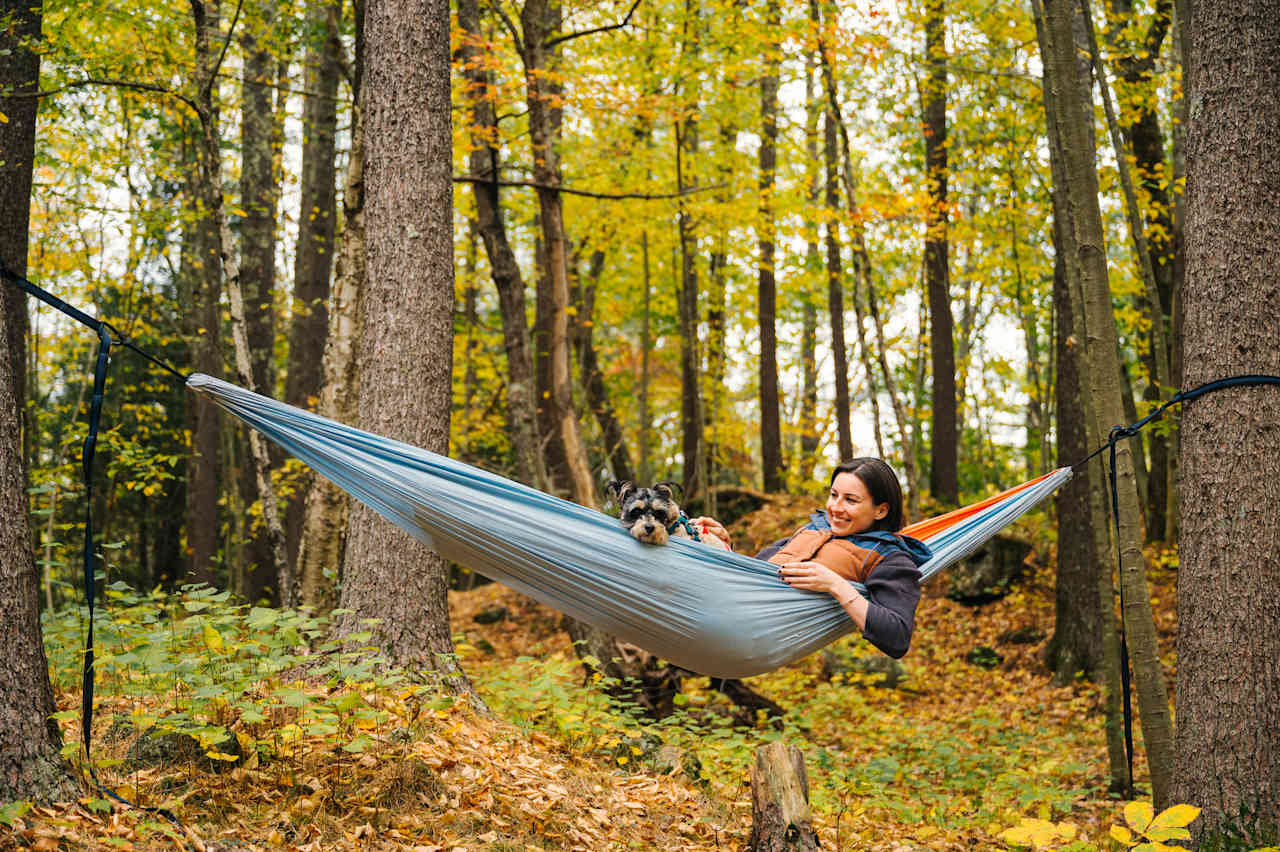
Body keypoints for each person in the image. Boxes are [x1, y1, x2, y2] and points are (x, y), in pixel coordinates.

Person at [692, 458, 931, 659]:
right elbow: (754, 573)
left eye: (850, 500)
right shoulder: (813, 530)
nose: (835, 508)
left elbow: (897, 638)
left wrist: (835, 585)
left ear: (881, 510)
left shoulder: (889, 558)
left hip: (747, 632)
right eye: (833, 495)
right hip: (719, 604)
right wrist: (723, 544)